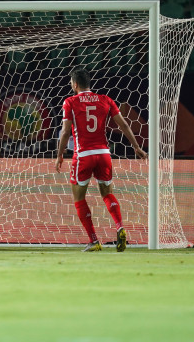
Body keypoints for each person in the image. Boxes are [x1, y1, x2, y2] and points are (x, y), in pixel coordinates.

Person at [55, 66, 148, 252]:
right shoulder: (105, 99)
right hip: (104, 154)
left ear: (74, 85)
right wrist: (136, 147)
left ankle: (94, 241)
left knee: (79, 198)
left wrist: (59, 155)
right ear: (89, 84)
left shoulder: (70, 102)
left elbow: (65, 132)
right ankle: (120, 226)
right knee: (107, 193)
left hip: (83, 155)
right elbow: (123, 125)